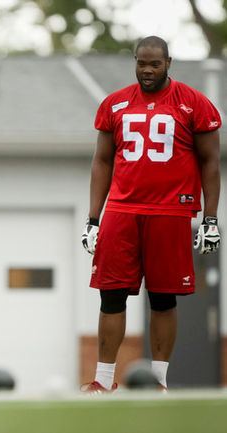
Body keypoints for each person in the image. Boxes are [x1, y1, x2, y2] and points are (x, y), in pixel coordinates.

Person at [81, 36, 221, 393]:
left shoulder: (193, 103)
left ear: (169, 62)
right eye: (141, 63)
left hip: (171, 210)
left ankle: (159, 381)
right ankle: (104, 380)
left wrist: (210, 217)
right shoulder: (115, 104)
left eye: (154, 64)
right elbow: (102, 160)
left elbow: (210, 162)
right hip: (122, 209)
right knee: (111, 294)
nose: (147, 70)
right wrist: (93, 217)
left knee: (162, 297)